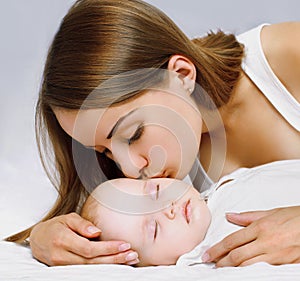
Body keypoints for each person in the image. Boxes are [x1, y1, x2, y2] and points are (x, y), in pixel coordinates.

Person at [6, 0, 300, 267]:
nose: (131, 169)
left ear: (182, 75)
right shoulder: (165, 186)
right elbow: (106, 215)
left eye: (133, 134)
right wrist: (44, 238)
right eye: (104, 152)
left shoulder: (287, 56)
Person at [80, 160, 300, 267]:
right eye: (154, 228)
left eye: (156, 191)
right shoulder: (219, 251)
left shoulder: (218, 190)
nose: (169, 208)